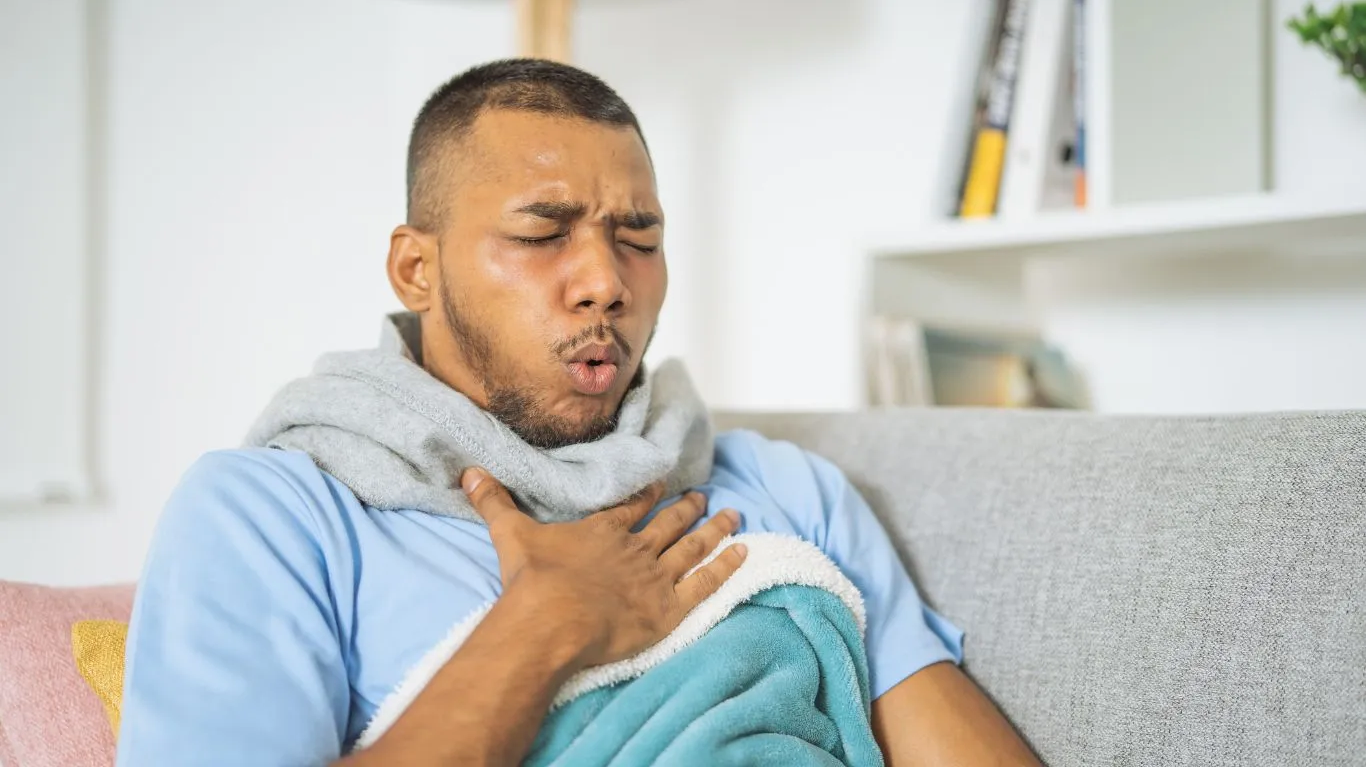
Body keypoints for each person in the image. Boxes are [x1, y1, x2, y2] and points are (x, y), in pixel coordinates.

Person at [117, 59, 1039, 766]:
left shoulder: (783, 487)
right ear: (416, 269)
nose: (605, 282)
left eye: (637, 238)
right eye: (541, 234)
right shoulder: (271, 516)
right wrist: (548, 621)